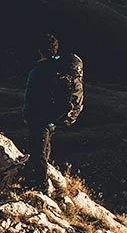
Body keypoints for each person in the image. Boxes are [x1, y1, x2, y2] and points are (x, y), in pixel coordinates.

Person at [21, 34, 84, 192]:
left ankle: (40, 185)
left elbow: (32, 96)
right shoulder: (61, 68)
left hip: (40, 116)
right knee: (44, 145)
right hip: (54, 116)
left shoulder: (39, 70)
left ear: (40, 51)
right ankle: (37, 177)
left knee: (38, 149)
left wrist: (27, 115)